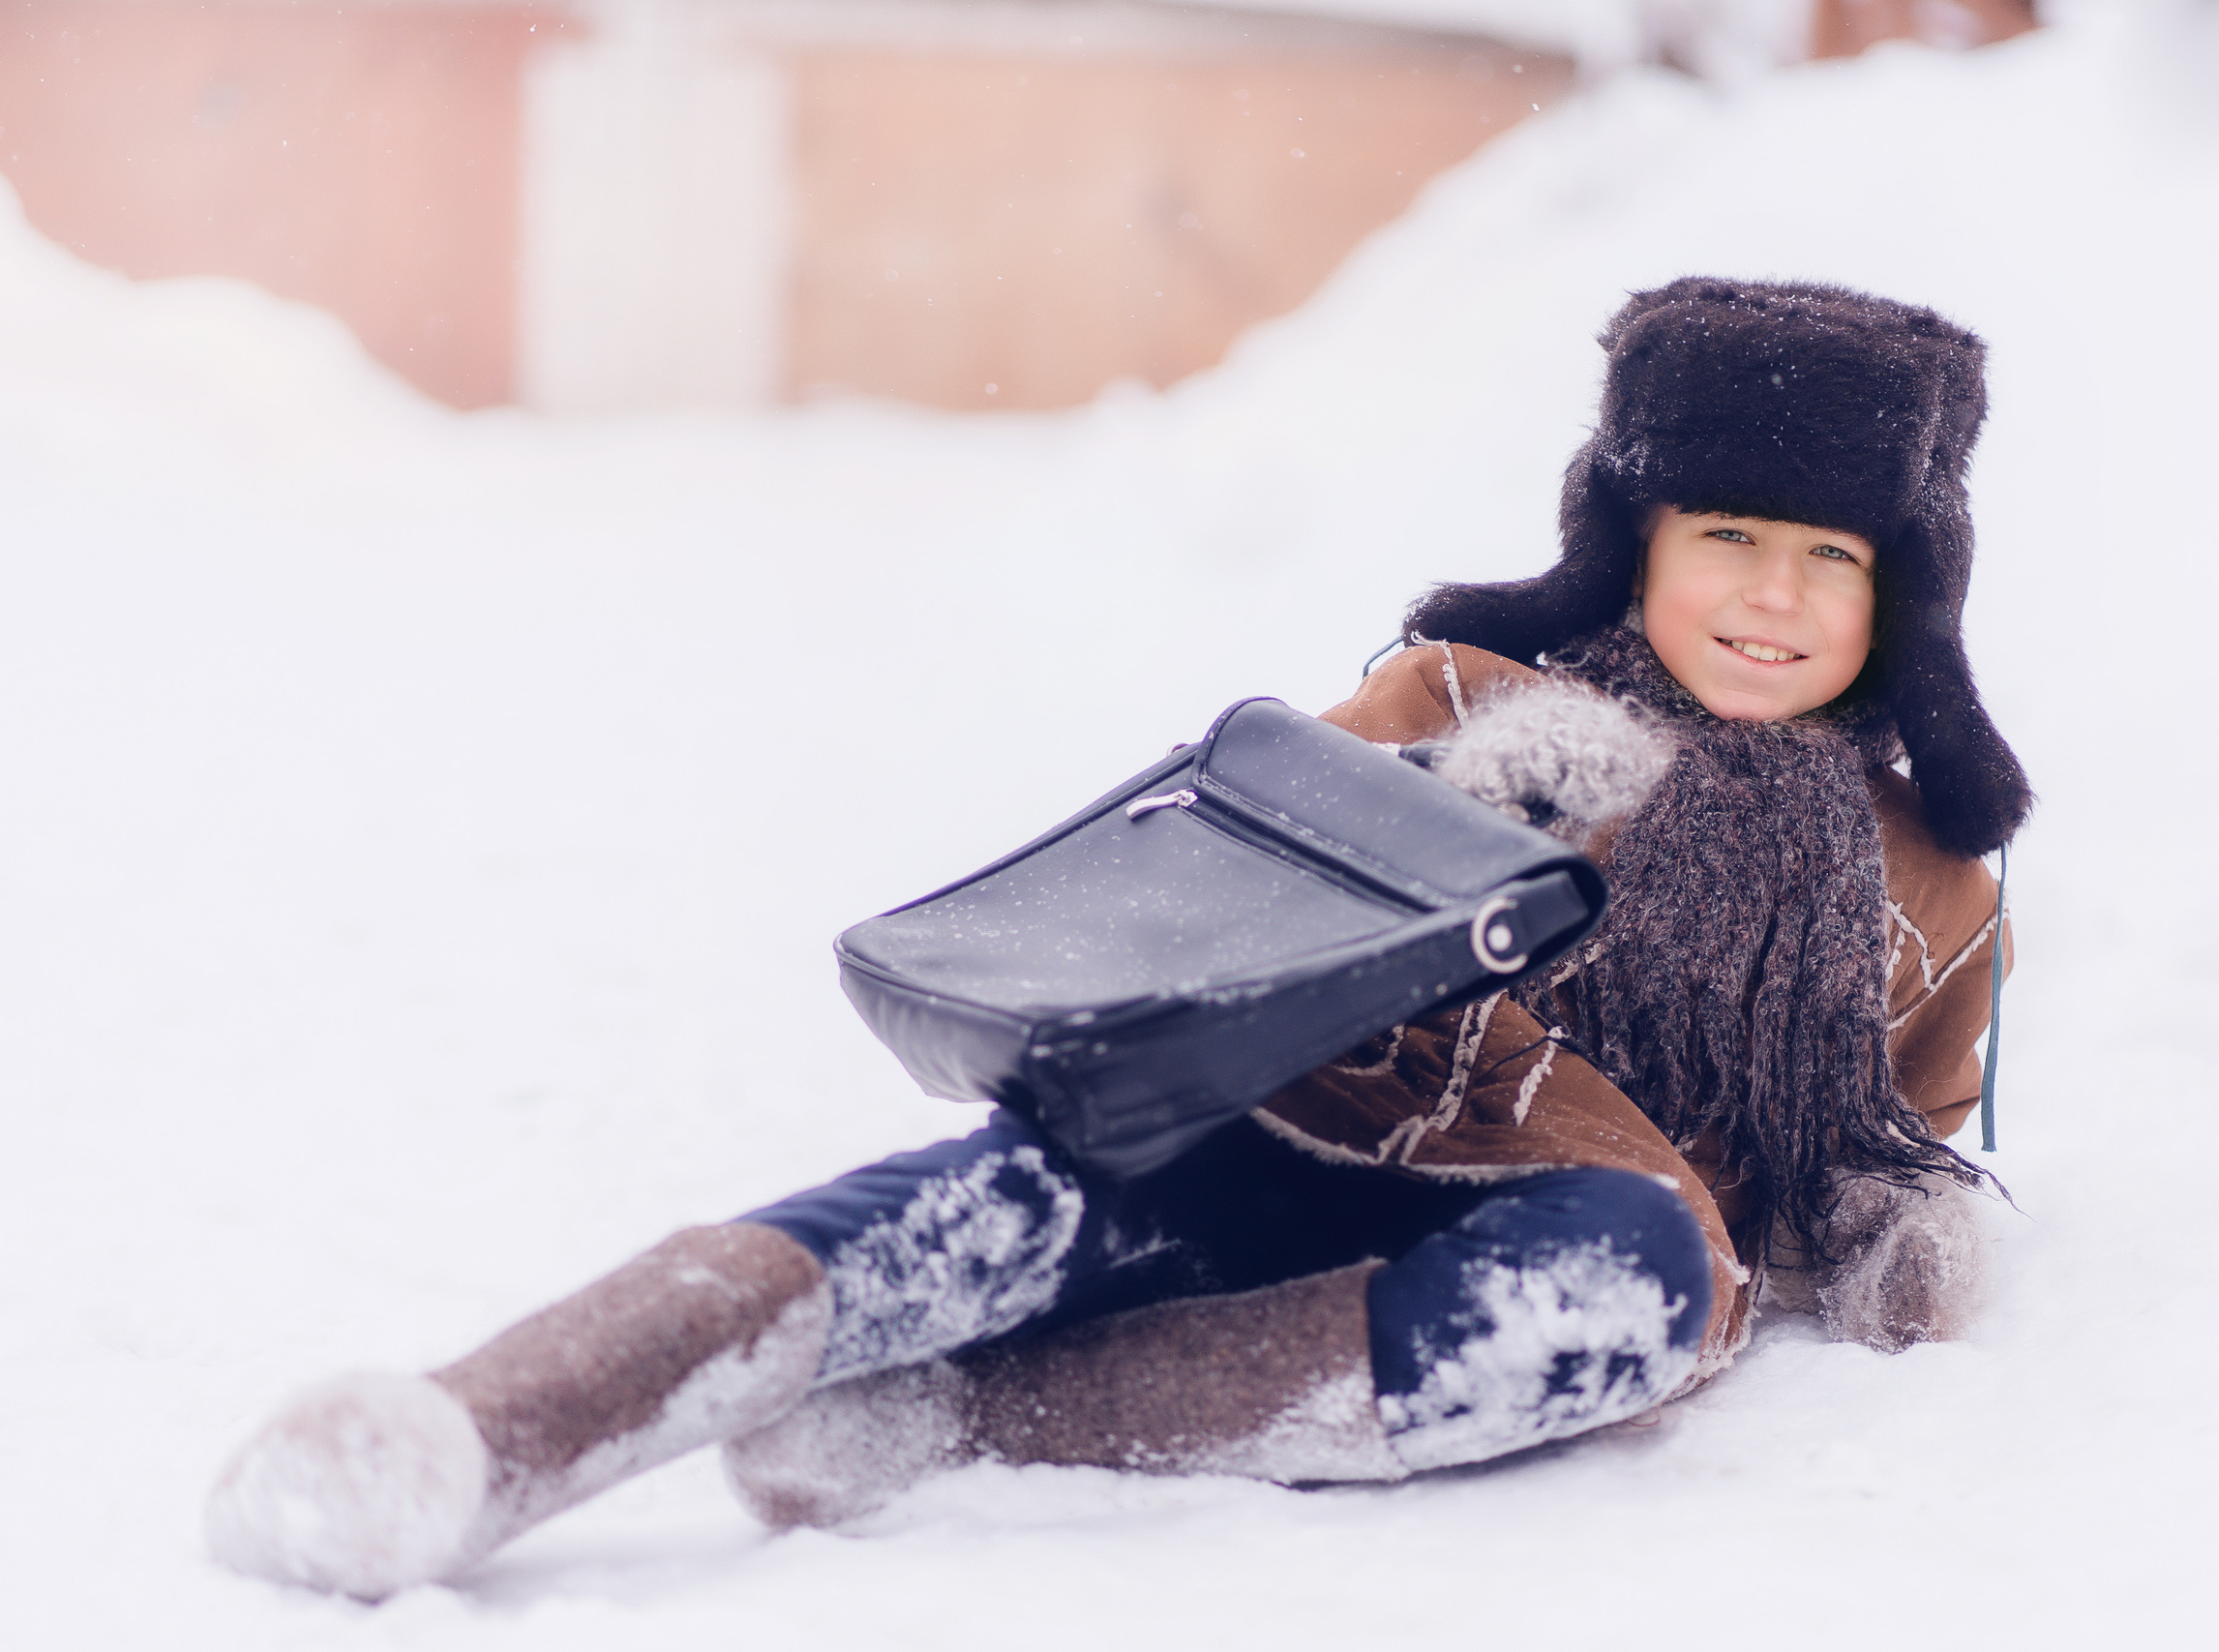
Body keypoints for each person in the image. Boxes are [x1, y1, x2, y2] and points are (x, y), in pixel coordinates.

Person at [204, 278, 2028, 1599]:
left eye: (1833, 559)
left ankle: (976, 1423)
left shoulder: (1926, 873)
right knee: (992, 1205)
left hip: (1568, 1217)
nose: (1775, 598)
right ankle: (474, 1431)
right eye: (1728, 535)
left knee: (1631, 1287)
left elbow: (1896, 1126)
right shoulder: (1467, 687)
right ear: (1634, 537)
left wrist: (1893, 1225)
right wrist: (1461, 804)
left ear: (1901, 591)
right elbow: (1245, 885)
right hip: (1297, 1117)